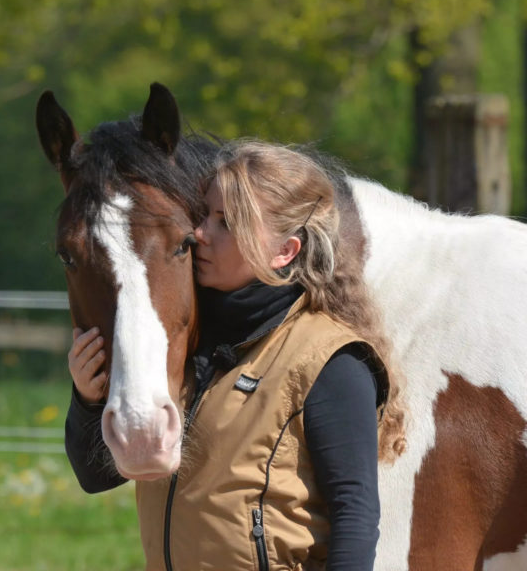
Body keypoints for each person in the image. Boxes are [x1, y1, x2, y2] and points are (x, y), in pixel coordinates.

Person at [66, 140, 384, 571]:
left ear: (284, 251)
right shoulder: (192, 351)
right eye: (204, 216)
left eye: (226, 223)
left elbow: (355, 515)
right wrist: (88, 402)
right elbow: (98, 476)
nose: (200, 234)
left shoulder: (331, 361)